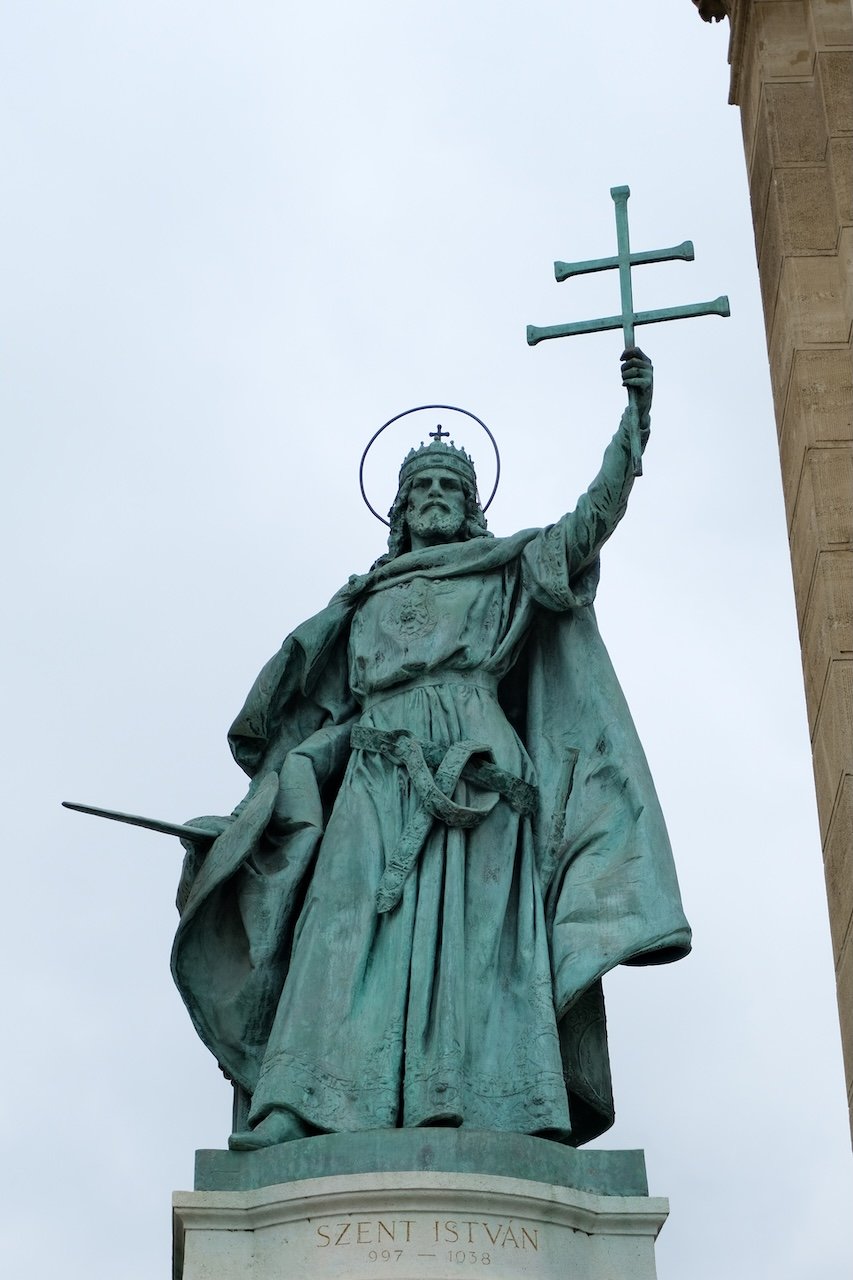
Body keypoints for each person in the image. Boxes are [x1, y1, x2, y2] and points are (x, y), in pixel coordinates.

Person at [172, 348, 691, 1152]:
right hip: (376, 773)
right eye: (422, 489)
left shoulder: (503, 569)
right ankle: (294, 1103)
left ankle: (494, 1108)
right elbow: (329, 720)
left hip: (478, 781)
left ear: (471, 506)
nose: (437, 497)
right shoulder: (363, 600)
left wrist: (633, 429)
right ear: (401, 510)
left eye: (451, 487)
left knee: (479, 949)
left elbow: (584, 528)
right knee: (335, 931)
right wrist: (262, 810)